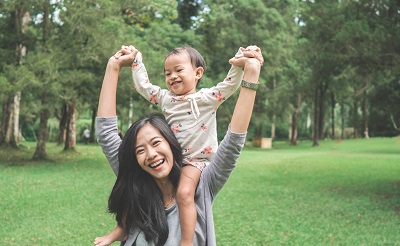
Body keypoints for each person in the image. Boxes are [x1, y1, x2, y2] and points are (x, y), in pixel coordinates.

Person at [94, 45, 263, 246]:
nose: (151, 154)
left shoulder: (203, 185)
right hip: (149, 184)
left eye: (156, 143)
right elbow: (110, 129)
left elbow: (234, 137)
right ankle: (121, 229)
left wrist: (247, 69)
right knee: (128, 189)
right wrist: (119, 64)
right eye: (140, 150)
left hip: (197, 163)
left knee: (182, 192)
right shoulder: (137, 175)